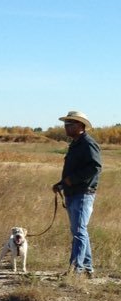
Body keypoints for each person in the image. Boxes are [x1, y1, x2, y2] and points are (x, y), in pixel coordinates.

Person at [52, 110, 102, 276]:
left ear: (80, 126)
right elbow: (74, 170)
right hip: (72, 192)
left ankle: (76, 269)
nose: (66, 127)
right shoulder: (75, 144)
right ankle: (87, 268)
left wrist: (71, 180)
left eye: (70, 124)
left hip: (83, 193)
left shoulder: (88, 143)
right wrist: (61, 184)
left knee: (79, 231)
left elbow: (95, 167)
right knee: (79, 231)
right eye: (65, 124)